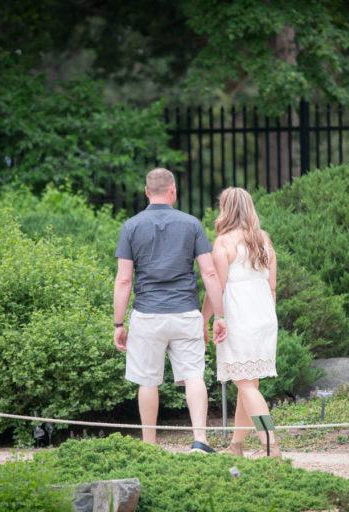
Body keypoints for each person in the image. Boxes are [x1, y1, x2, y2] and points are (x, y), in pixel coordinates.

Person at [113, 168, 228, 453]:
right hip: (185, 313)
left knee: (147, 381)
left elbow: (124, 280)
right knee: (193, 376)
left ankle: (150, 447)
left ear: (146, 192)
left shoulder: (131, 226)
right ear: (173, 190)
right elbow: (210, 274)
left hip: (147, 314)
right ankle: (200, 440)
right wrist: (220, 317)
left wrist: (118, 323)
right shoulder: (191, 225)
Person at [201, 187, 281, 459]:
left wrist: (206, 319)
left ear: (226, 209)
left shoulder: (224, 243)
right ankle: (236, 447)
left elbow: (217, 288)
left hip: (240, 317)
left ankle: (270, 445)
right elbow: (272, 286)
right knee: (249, 385)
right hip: (265, 317)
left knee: (246, 385)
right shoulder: (264, 240)